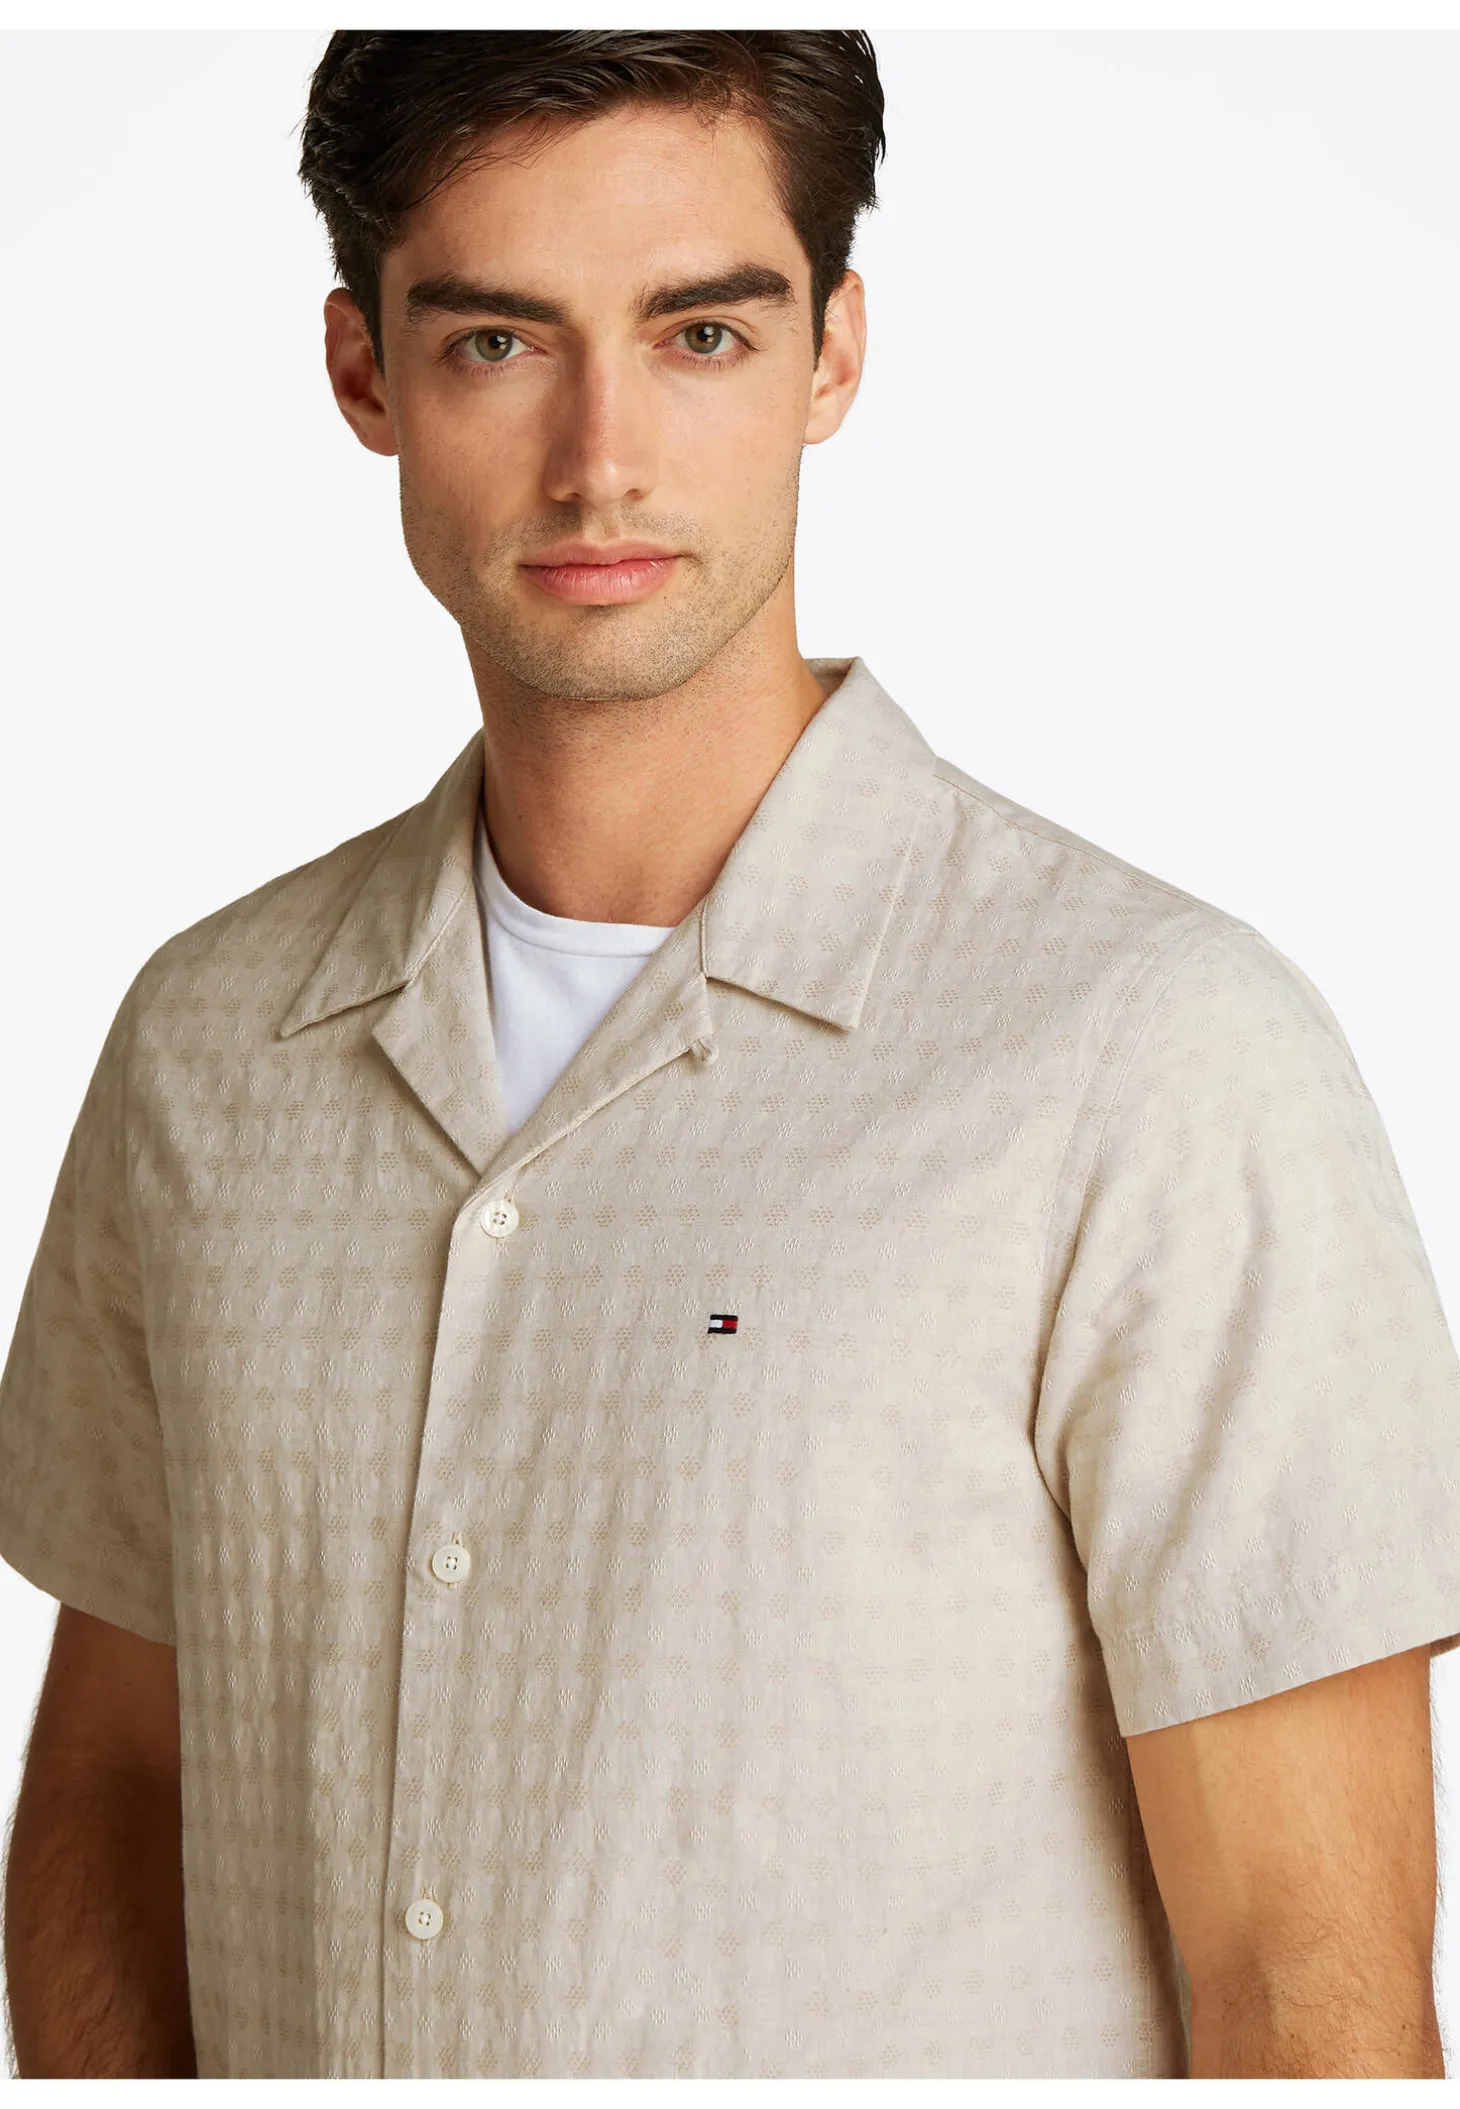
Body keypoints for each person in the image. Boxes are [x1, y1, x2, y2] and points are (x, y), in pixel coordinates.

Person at [0, 29, 1456, 2084]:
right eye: (499, 341)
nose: (600, 459)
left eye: (699, 333)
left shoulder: (1152, 1061)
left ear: (830, 354)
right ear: (365, 373)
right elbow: (116, 1790)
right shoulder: (204, 1050)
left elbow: (1310, 1991)